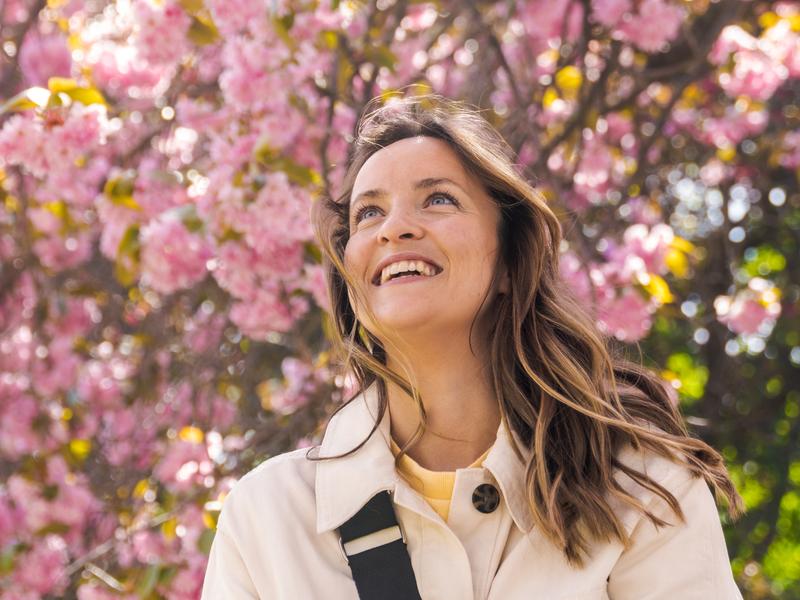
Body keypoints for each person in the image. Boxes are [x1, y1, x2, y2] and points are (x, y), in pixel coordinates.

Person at [200, 93, 744, 599]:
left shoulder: (637, 487)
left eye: (438, 199)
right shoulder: (268, 516)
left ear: (509, 259)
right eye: (370, 212)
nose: (395, 228)